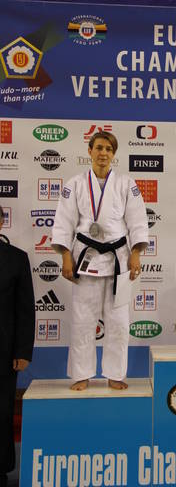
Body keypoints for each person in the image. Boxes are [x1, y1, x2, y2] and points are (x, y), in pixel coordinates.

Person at [52, 131, 148, 391]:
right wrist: (65, 256)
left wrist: (136, 253)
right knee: (83, 320)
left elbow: (138, 220)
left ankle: (115, 374)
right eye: (99, 148)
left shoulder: (126, 184)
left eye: (108, 149)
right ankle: (81, 374)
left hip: (119, 260)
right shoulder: (75, 184)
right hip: (86, 258)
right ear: (90, 151)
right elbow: (64, 222)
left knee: (119, 322)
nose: (103, 153)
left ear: (113, 154)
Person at [0, 205, 35, 487]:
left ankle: (1, 467)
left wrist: (23, 351)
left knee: (2, 411)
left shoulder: (16, 258)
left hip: (4, 351)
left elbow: (25, 309)